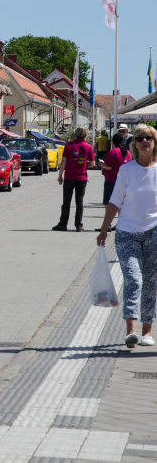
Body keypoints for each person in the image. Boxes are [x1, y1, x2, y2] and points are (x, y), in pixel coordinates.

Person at [97, 124, 157, 349]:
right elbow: (114, 201)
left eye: (149, 138)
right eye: (140, 138)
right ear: (135, 144)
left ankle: (147, 331)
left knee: (151, 283)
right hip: (127, 233)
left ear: (154, 143)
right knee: (134, 279)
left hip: (154, 232)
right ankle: (130, 330)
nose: (145, 141)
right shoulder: (126, 170)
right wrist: (104, 229)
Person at [52, 126, 96, 232]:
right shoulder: (88, 147)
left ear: (75, 134)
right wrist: (83, 163)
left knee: (66, 201)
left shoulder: (69, 145)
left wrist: (60, 175)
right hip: (81, 178)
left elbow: (64, 161)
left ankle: (63, 224)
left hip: (69, 177)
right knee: (79, 202)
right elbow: (92, 164)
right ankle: (78, 225)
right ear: (86, 135)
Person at [95, 132, 133, 232]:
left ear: (113, 142)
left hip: (111, 180)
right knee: (121, 204)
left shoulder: (113, 152)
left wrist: (101, 164)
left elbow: (109, 166)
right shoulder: (128, 153)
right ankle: (120, 223)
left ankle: (107, 225)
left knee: (108, 203)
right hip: (124, 181)